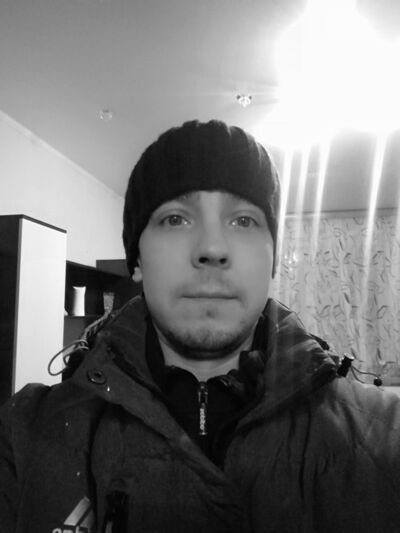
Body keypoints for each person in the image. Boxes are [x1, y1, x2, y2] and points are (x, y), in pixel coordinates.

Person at [1, 120, 400, 533]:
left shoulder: (385, 438)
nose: (212, 248)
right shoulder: (24, 437)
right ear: (136, 260)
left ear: (273, 259)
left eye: (243, 220)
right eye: (176, 219)